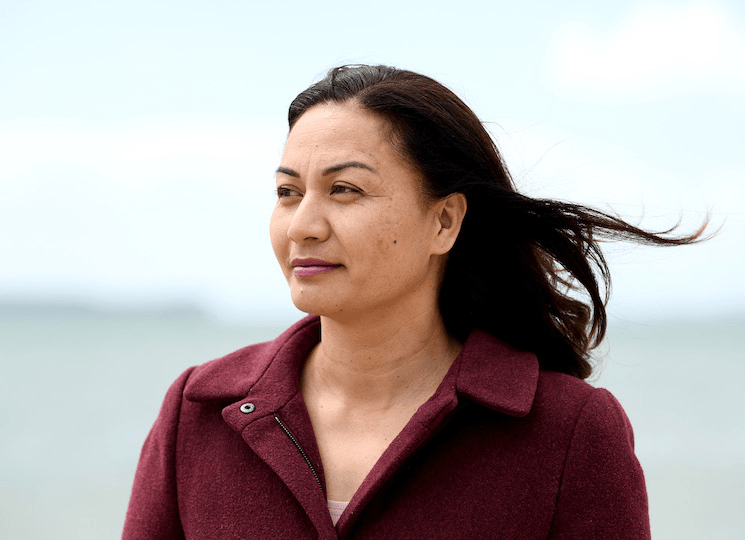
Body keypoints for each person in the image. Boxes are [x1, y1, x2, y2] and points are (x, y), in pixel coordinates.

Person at [123, 65, 707, 539]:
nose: (302, 225)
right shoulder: (197, 414)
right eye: (287, 192)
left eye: (344, 190)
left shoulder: (571, 431)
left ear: (444, 222)